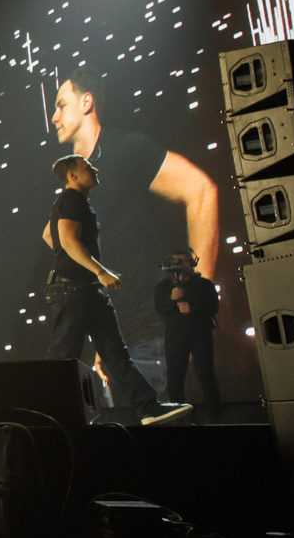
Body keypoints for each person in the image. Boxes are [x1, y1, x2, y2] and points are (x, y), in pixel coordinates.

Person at [51, 67, 224, 385]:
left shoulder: (123, 149)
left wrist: (196, 302)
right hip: (116, 344)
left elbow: (200, 192)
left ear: (86, 102)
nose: (54, 117)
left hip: (151, 336)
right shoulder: (75, 183)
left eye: (61, 105)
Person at [40, 155, 190, 426]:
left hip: (86, 291)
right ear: (72, 175)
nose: (95, 169)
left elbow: (49, 236)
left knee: (115, 354)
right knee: (64, 359)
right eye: (88, 168)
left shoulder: (71, 202)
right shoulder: (72, 200)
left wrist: (71, 259)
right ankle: (44, 418)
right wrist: (98, 270)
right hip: (75, 292)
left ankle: (147, 408)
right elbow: (66, 239)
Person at [157, 252, 223, 412]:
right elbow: (160, 309)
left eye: (183, 261)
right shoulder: (164, 286)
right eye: (175, 260)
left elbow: (214, 307)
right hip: (175, 336)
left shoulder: (204, 285)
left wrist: (192, 308)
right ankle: (179, 417)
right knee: (175, 377)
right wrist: (172, 300)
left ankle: (214, 416)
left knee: (205, 374)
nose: (179, 264)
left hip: (200, 334)